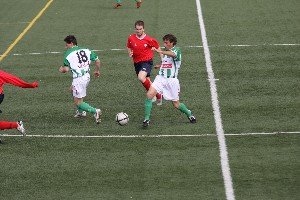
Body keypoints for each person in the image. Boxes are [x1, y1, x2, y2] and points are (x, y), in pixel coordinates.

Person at [142, 34, 196, 127]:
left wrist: (160, 51)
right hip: (160, 78)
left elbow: (173, 55)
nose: (164, 44)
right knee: (149, 95)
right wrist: (159, 65)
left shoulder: (176, 50)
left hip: (171, 81)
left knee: (176, 104)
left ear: (172, 43)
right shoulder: (166, 53)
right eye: (164, 42)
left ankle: (189, 114)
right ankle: (146, 119)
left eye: (166, 42)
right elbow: (167, 63)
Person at [59, 35, 102, 124]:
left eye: (66, 45)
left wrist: (61, 69)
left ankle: (95, 111)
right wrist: (97, 71)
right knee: (72, 89)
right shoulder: (86, 50)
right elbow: (97, 61)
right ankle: (81, 112)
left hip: (79, 79)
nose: (65, 47)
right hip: (87, 76)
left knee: (78, 102)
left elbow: (66, 69)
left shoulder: (68, 53)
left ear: (71, 43)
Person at [127, 20, 163, 105]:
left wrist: (162, 60)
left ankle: (153, 95)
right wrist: (130, 52)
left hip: (147, 61)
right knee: (147, 80)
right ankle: (158, 95)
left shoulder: (149, 39)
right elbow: (128, 46)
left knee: (141, 77)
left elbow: (158, 48)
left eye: (140, 29)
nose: (138, 31)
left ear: (143, 29)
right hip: (136, 63)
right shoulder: (131, 38)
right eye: (137, 29)